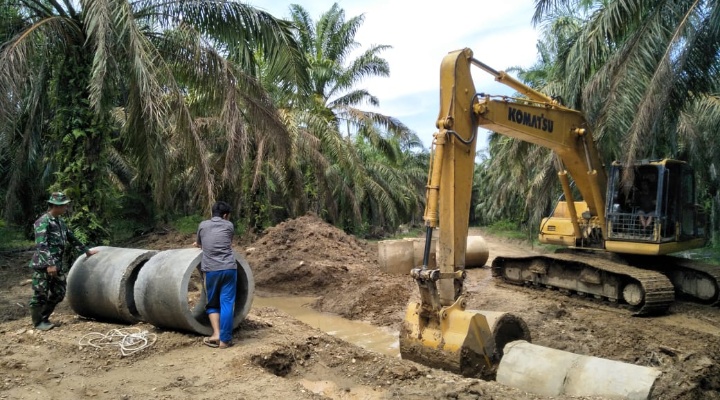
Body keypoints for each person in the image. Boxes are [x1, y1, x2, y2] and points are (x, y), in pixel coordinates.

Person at [28, 192, 98, 331]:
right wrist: (50, 264)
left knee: (59, 292)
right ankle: (38, 322)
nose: (66, 208)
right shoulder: (43, 222)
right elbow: (42, 245)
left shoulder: (60, 222)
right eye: (64, 206)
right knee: (40, 294)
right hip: (44, 265)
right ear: (55, 206)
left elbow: (71, 237)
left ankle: (44, 317)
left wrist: (86, 251)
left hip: (57, 265)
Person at [193, 201, 237, 349]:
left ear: (213, 213)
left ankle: (216, 334)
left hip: (211, 270)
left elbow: (200, 244)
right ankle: (225, 341)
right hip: (229, 269)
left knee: (212, 303)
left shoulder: (203, 225)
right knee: (227, 304)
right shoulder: (229, 225)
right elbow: (229, 243)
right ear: (225, 216)